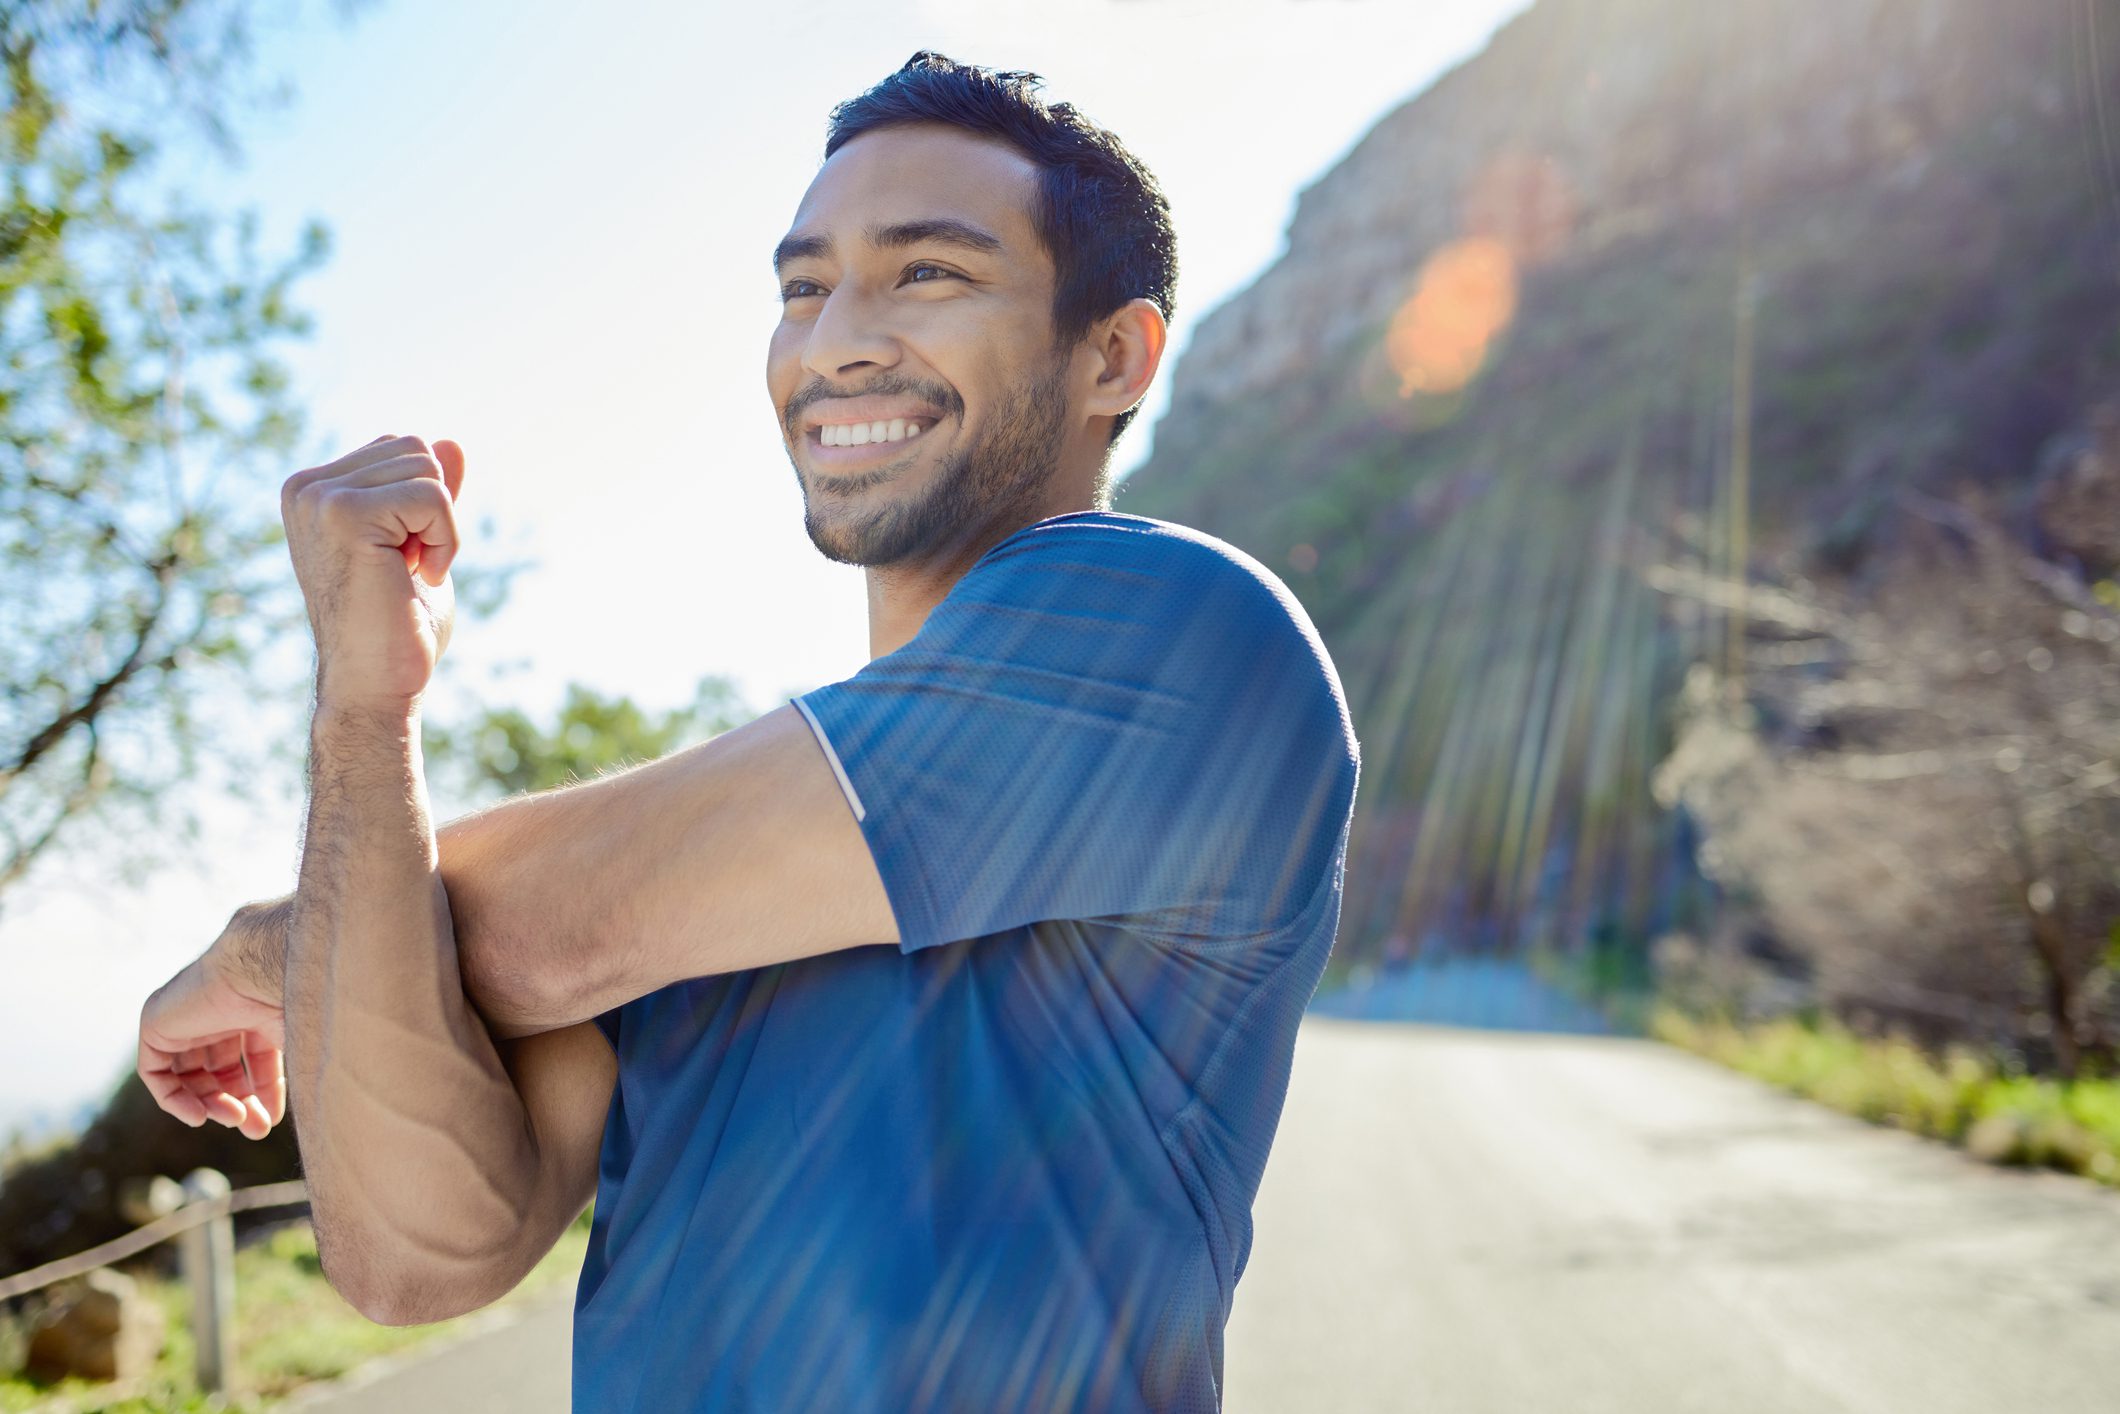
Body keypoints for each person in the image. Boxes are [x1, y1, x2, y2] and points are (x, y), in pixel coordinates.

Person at [136, 52, 1360, 1412]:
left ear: (1111, 354)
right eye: (803, 285)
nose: (835, 338)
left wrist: (276, 943)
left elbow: (544, 926)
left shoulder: (1175, 629)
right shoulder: (718, 862)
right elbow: (415, 1257)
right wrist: (365, 712)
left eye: (928, 273)